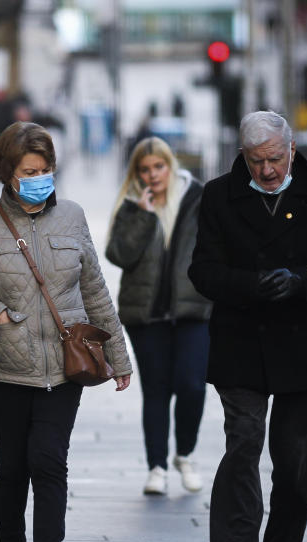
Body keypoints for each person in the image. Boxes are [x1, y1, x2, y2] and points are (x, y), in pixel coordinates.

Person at [0, 122, 132, 542]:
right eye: (30, 170)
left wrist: (118, 356)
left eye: (46, 169)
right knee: (12, 465)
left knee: (49, 461)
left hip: (65, 367)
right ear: (8, 173)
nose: (40, 177)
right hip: (5, 367)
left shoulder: (72, 216)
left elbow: (94, 290)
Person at [188, 111, 307, 542]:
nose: (267, 170)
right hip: (242, 339)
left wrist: (302, 280)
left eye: (275, 158)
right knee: (243, 442)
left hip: (306, 344)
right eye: (256, 160)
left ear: (292, 148)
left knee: (296, 460)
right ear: (242, 156)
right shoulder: (220, 195)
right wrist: (252, 286)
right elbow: (202, 271)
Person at [105, 137, 212, 496]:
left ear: (170, 164)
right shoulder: (133, 206)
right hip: (146, 315)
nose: (152, 175)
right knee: (156, 391)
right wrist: (143, 216)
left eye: (158, 167)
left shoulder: (197, 199)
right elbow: (119, 254)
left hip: (193, 310)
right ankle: (156, 467)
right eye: (145, 169)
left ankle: (185, 453)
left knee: (192, 385)